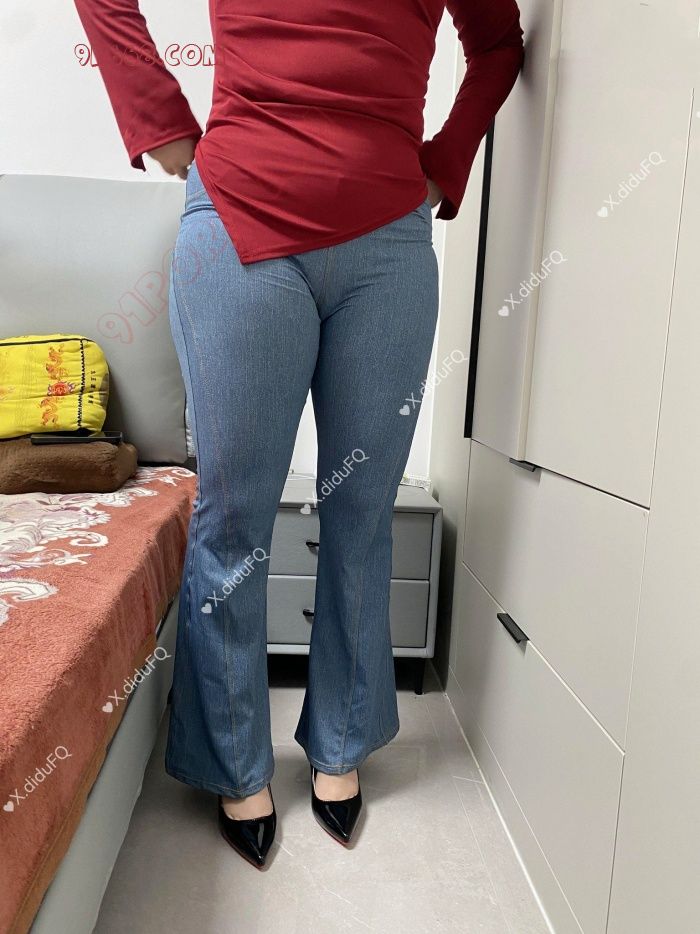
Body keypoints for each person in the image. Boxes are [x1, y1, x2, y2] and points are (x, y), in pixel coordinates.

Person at [73, 0, 524, 867]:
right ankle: (233, 762)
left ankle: (341, 745)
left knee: (362, 511)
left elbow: (498, 44)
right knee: (233, 517)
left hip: (388, 247)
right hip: (243, 221)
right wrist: (162, 124)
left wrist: (445, 163)